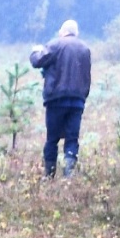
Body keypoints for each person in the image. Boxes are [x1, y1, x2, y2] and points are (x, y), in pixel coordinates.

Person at [30, 20, 91, 178]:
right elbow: (87, 75)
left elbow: (37, 61)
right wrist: (83, 96)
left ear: (63, 31)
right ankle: (68, 175)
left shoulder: (55, 44)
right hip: (77, 101)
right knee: (72, 138)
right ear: (76, 33)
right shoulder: (85, 49)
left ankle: (49, 175)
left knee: (52, 138)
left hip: (56, 99)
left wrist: (35, 51)